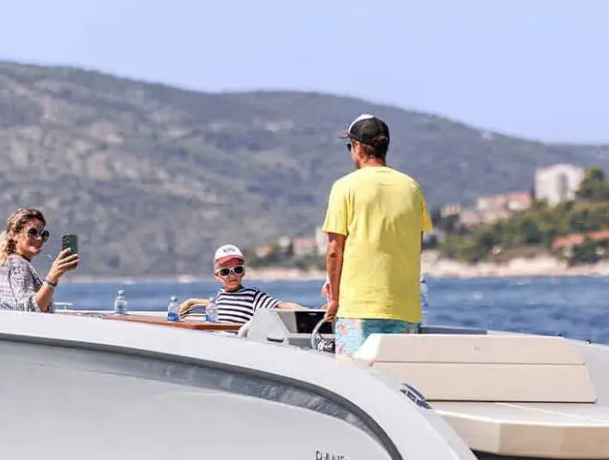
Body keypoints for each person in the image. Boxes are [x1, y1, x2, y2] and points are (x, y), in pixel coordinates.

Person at [322, 114, 432, 356]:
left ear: (359, 147)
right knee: (397, 383)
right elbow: (416, 244)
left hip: (357, 309)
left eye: (349, 146)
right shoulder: (412, 188)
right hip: (405, 309)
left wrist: (333, 300)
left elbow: (334, 250)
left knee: (353, 383)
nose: (350, 151)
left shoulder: (344, 187)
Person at [178, 244, 305, 325]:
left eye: (237, 270)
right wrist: (191, 302)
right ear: (217, 276)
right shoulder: (221, 296)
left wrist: (308, 312)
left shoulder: (253, 296)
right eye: (225, 271)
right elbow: (214, 303)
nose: (232, 275)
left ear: (243, 273)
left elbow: (281, 305)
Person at [0, 207, 78, 312]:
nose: (39, 238)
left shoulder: (10, 263)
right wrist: (52, 277)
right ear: (14, 235)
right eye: (32, 232)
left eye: (43, 234)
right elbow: (30, 310)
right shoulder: (17, 265)